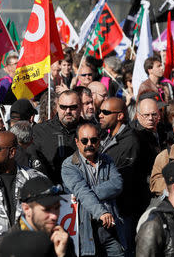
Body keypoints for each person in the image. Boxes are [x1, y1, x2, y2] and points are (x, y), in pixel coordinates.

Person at [61, 123, 124, 257]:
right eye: (84, 140)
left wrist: (87, 194)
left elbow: (117, 184)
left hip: (110, 228)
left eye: (93, 140)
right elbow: (81, 190)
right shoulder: (69, 165)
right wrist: (100, 211)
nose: (89, 144)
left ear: (99, 141)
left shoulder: (107, 160)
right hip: (86, 230)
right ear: (77, 142)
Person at [0, 176, 75, 257]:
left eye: (57, 208)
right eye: (46, 209)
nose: (54, 216)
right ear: (26, 209)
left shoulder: (62, 240)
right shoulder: (1, 247)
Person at [99, 97, 140, 256]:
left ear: (120, 116)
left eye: (106, 112)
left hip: (123, 212)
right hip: (109, 211)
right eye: (100, 111)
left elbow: (119, 179)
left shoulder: (130, 142)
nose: (100, 115)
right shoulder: (106, 136)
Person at [29, 90, 83, 184]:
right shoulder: (40, 130)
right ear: (57, 107)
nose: (68, 111)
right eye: (63, 107)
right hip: (53, 190)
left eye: (73, 107)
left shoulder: (91, 129)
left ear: (80, 107)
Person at [130, 98, 162, 205]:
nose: (150, 118)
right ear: (138, 116)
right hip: (144, 191)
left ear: (159, 115)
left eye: (154, 114)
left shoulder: (164, 131)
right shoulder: (133, 137)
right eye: (146, 115)